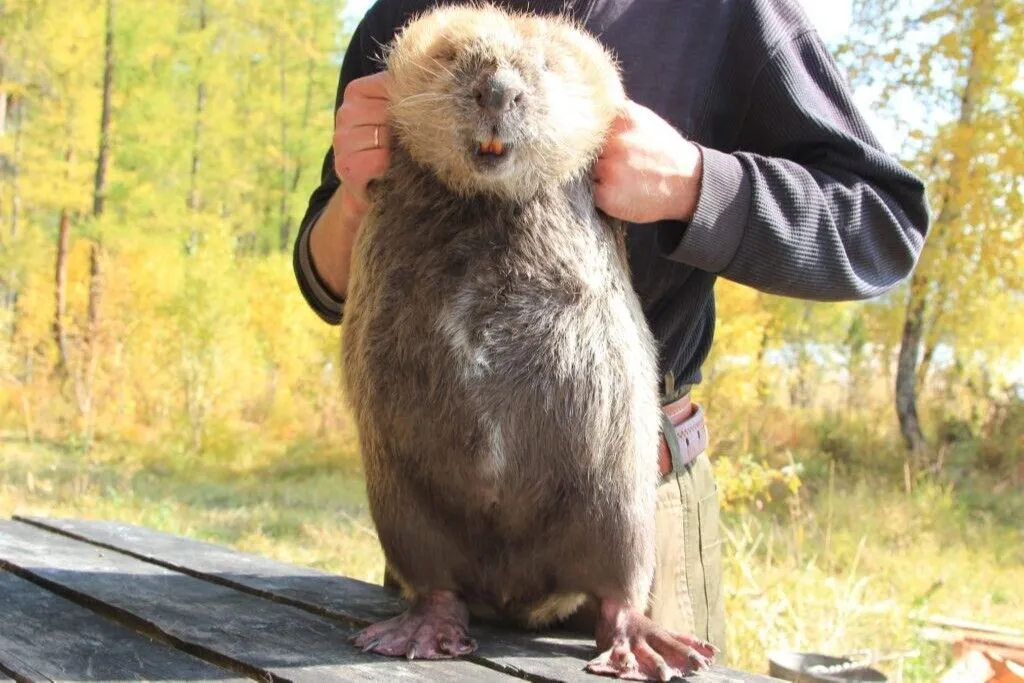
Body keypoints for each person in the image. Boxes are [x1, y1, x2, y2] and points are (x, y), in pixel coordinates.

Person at [292, 0, 931, 659]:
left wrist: (697, 185)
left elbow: (883, 227)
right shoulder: (403, 24)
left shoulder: (725, 14)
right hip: (435, 538)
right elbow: (325, 283)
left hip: (627, 519)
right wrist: (356, 190)